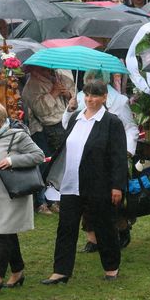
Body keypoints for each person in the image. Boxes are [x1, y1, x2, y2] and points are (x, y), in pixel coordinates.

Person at [43, 80, 127, 284]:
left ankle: (111, 267)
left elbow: (118, 157)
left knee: (103, 225)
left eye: (95, 95)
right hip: (71, 183)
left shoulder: (111, 122)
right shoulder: (76, 118)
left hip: (99, 184)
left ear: (105, 97)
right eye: (87, 95)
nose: (90, 99)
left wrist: (117, 185)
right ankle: (61, 270)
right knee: (66, 226)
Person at [0, 102, 44, 292]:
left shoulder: (17, 136)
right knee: (6, 231)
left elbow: (38, 155)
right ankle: (18, 270)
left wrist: (12, 160)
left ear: (1, 122)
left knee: (4, 233)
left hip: (13, 193)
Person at [74, 70, 139, 250]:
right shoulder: (80, 99)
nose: (89, 97)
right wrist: (70, 109)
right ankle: (92, 238)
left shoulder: (119, 101)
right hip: (87, 162)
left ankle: (122, 227)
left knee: (112, 203)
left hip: (112, 160)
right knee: (86, 203)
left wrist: (126, 151)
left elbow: (130, 128)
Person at [21, 66, 74, 215]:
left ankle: (53, 199)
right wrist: (54, 93)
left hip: (62, 125)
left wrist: (68, 94)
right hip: (41, 130)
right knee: (42, 165)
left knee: (57, 166)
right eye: (43, 69)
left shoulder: (61, 75)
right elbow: (40, 110)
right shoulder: (30, 86)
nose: (48, 71)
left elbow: (75, 98)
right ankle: (41, 201)